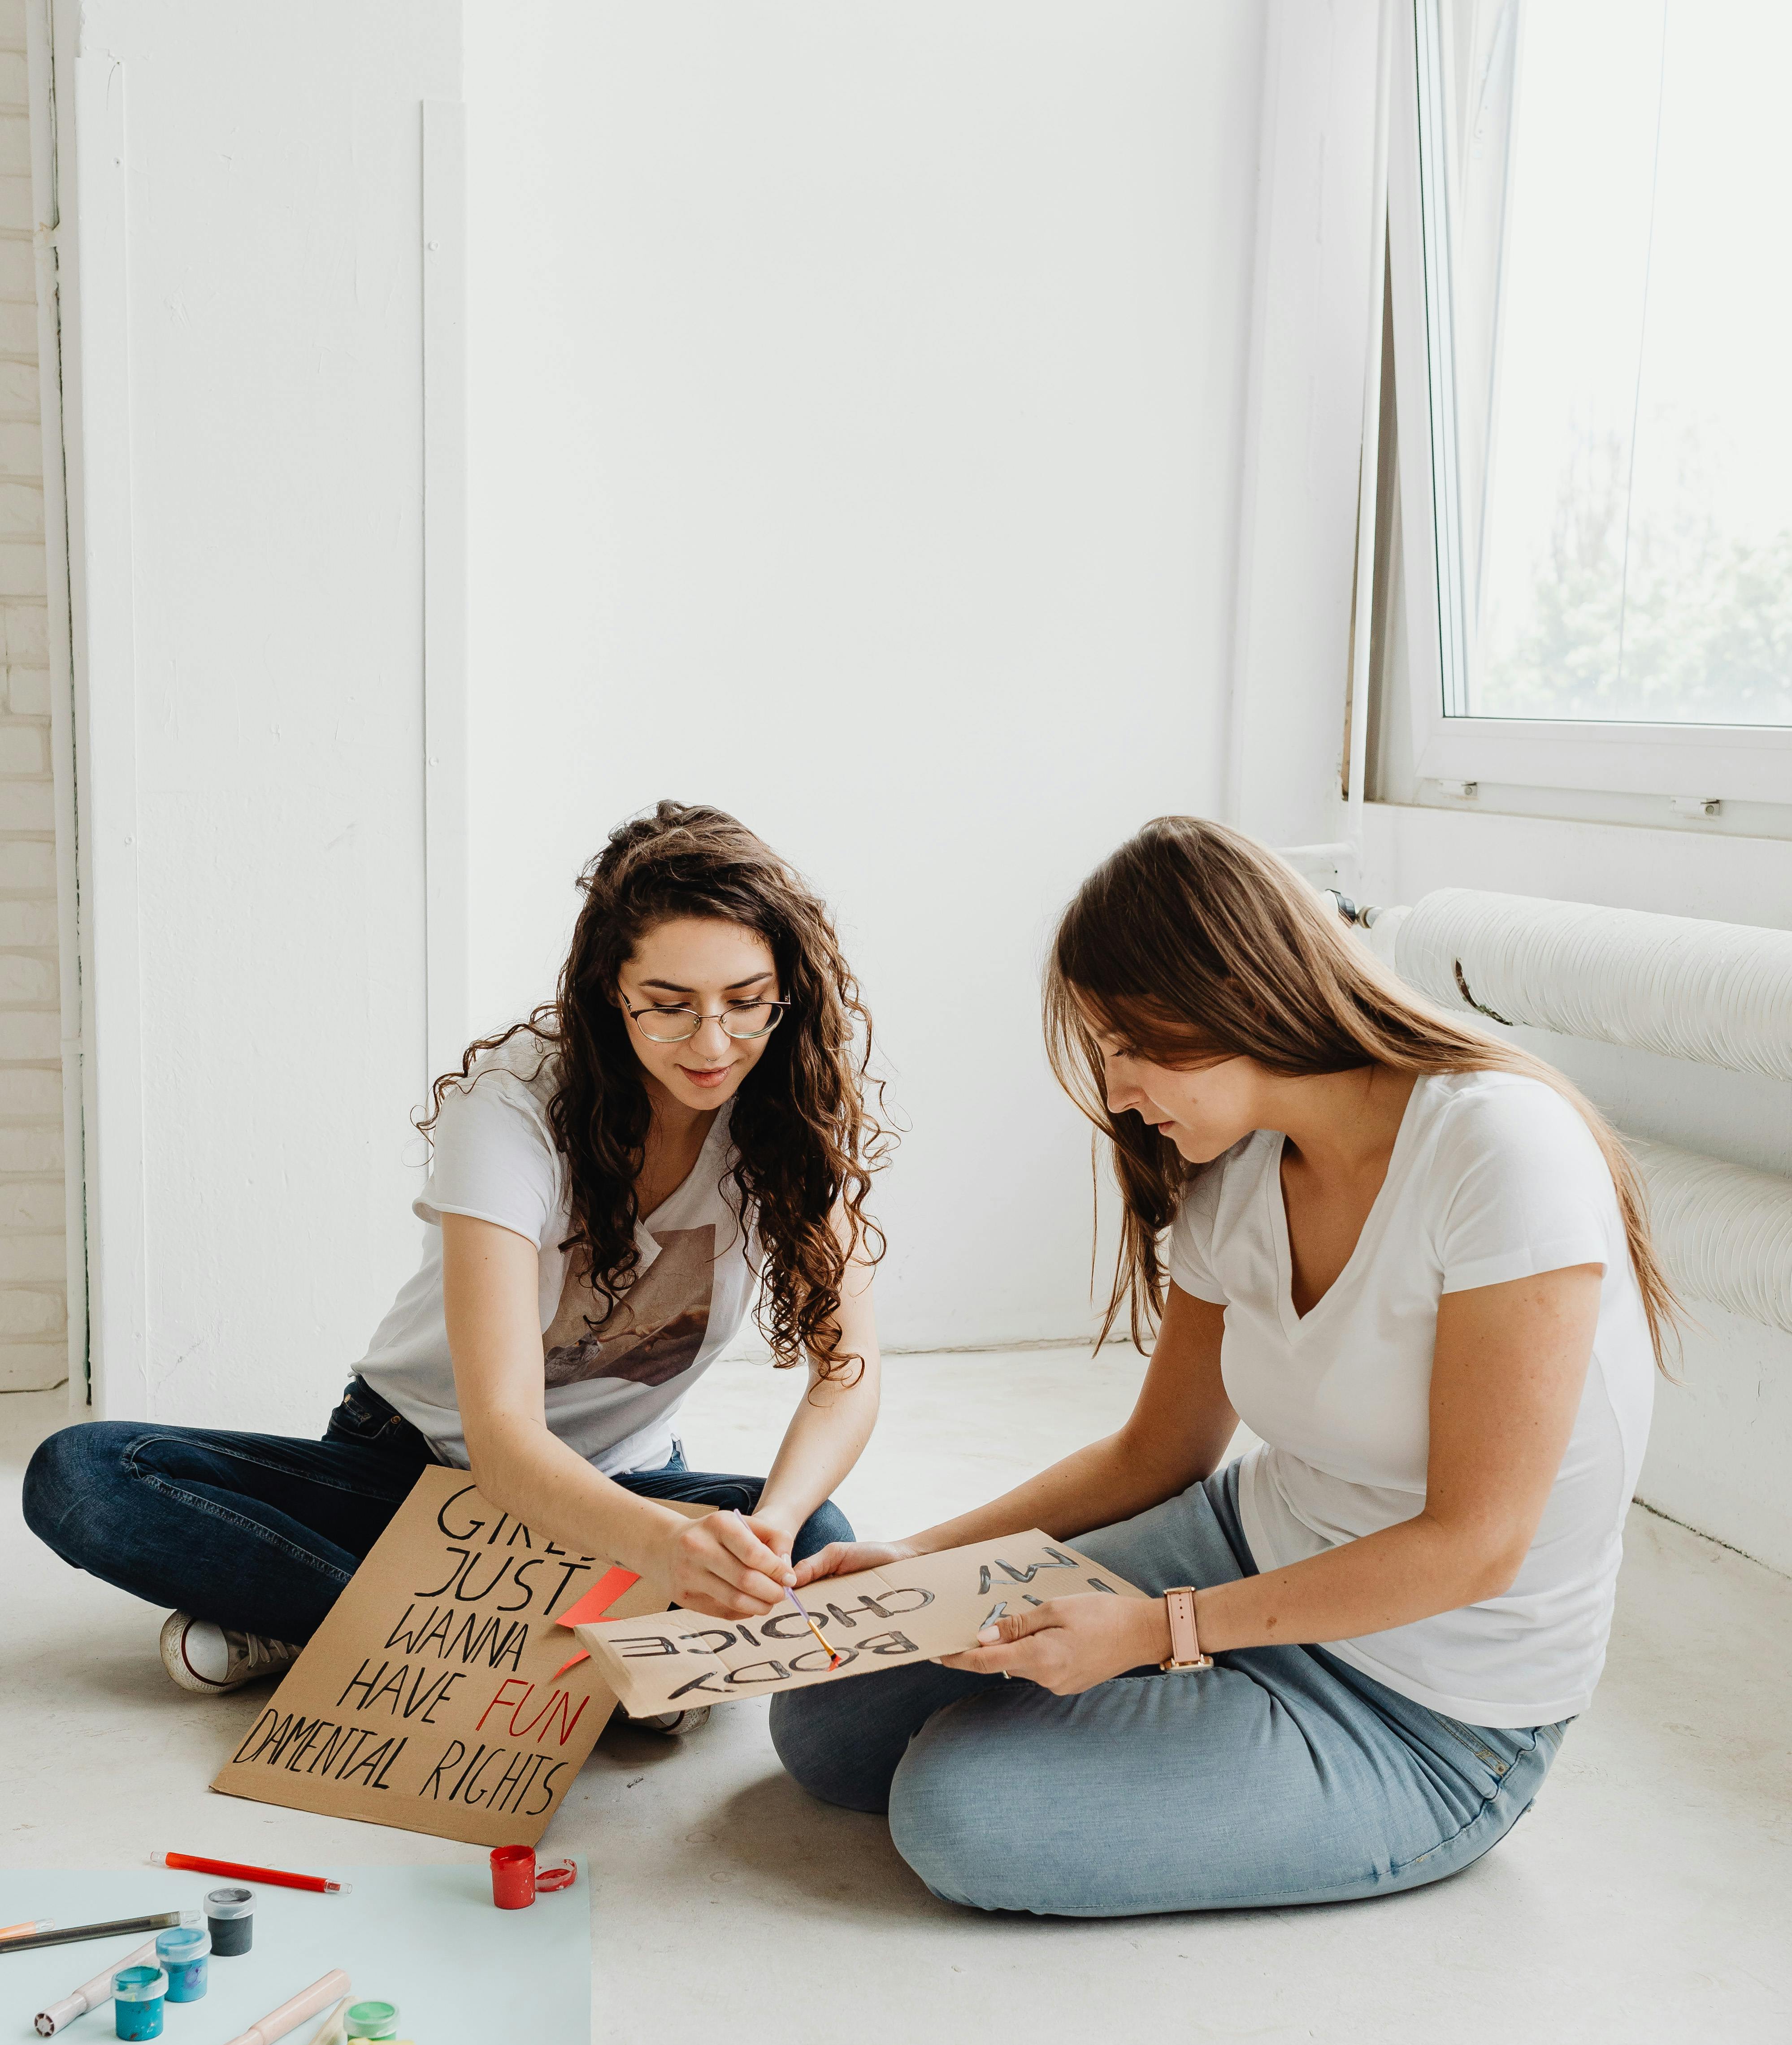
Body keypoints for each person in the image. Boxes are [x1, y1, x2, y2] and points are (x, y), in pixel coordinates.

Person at [773, 817, 1669, 1916]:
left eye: (1128, 1043)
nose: (1114, 1087)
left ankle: (1219, 1715)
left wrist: (1162, 1633)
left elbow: (1474, 1547)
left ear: (1226, 998)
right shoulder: (1237, 1165)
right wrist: (917, 1557)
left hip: (1426, 1706)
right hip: (1247, 1546)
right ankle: (1196, 1703)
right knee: (822, 1718)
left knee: (958, 1813)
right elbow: (1158, 1451)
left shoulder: (1499, 1151)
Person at [24, 802, 886, 1728]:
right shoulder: (512, 1105)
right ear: (610, 991)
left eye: (746, 1003)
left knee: (822, 1537)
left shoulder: (786, 1113)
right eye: (669, 1008)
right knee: (79, 1474)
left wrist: (767, 1534)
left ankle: (327, 1627)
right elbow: (507, 1446)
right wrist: (672, 1561)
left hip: (623, 1495)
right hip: (421, 1472)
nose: (714, 1045)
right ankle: (592, 1659)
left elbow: (848, 1375)